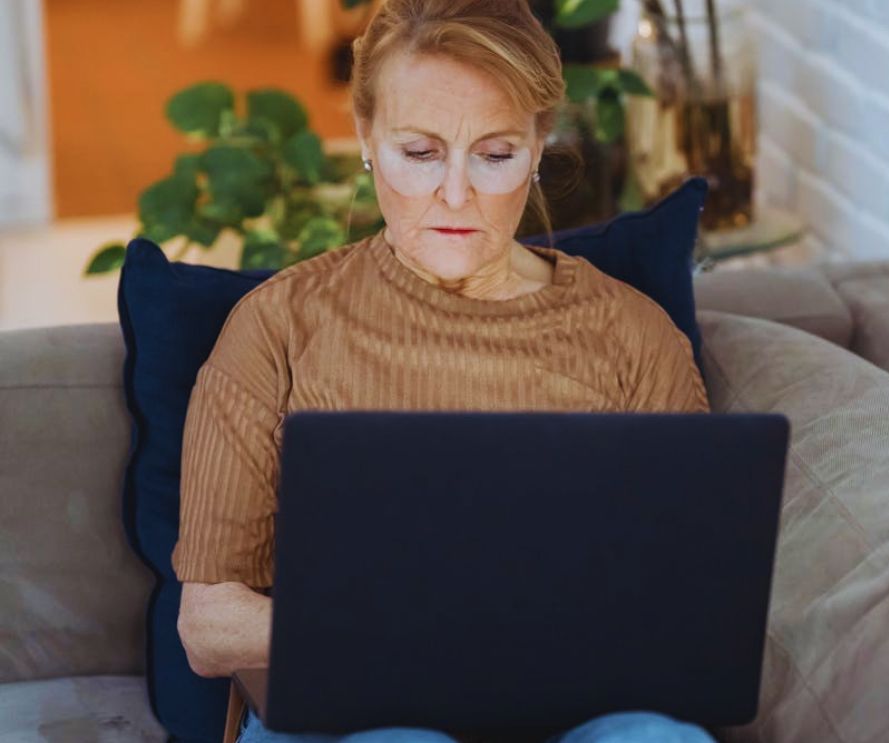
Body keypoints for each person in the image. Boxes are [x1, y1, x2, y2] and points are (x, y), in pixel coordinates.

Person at [170, 1, 713, 741]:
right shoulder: (278, 326)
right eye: (419, 153)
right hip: (350, 713)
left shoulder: (632, 336)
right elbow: (207, 625)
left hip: (564, 708)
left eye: (494, 155)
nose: (456, 195)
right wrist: (414, 630)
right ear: (365, 138)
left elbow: (691, 597)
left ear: (538, 142)